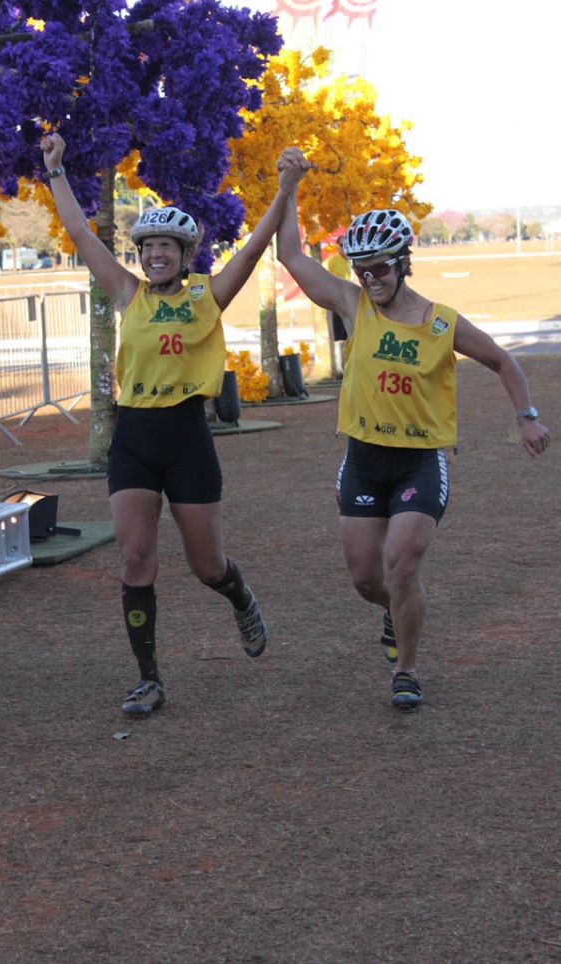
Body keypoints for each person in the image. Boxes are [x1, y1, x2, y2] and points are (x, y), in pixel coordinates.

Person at [276, 146, 550, 711]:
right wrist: (290, 185)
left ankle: (407, 669)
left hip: (420, 460)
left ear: (403, 262)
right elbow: (290, 254)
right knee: (366, 578)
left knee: (402, 562)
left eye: (379, 266)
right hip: (363, 457)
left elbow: (504, 361)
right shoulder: (354, 307)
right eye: (360, 268)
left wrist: (526, 418)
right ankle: (391, 613)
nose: (369, 277)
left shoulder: (441, 322)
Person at [40, 132, 299, 718]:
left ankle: (240, 596)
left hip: (187, 437)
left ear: (187, 255)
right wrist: (56, 170)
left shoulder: (209, 296)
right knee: (134, 558)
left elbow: (257, 247)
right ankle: (149, 679)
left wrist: (285, 191)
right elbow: (82, 235)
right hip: (133, 436)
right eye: (149, 244)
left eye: (168, 246)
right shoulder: (127, 294)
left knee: (207, 565)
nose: (157, 252)